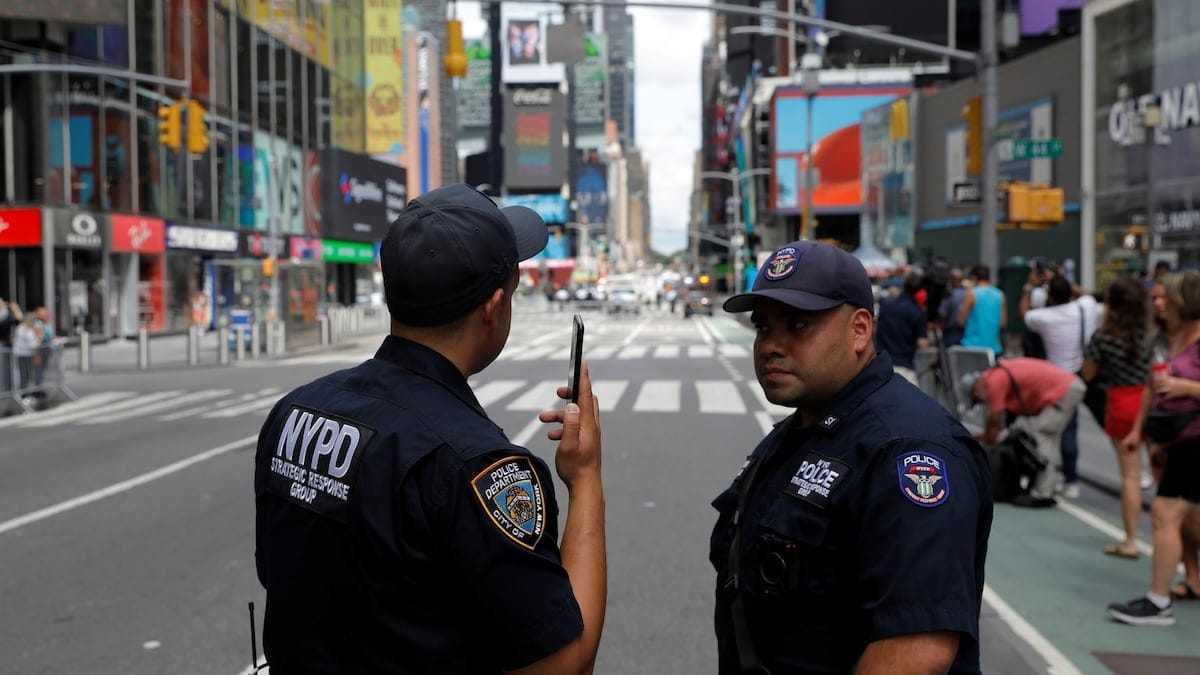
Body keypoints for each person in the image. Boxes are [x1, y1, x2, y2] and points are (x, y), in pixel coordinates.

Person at [254, 183, 607, 672]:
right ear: (493, 307)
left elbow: (284, 577)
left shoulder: (294, 411)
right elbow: (563, 664)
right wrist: (586, 479)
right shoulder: (477, 464)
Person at [711, 240, 993, 674]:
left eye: (798, 325)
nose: (770, 345)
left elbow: (917, 650)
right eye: (764, 327)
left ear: (859, 330)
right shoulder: (805, 428)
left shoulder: (907, 448)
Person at [1109, 270, 1200, 626]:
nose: (1159, 303)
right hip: (1177, 438)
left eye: (1167, 297)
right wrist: (1143, 432)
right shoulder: (1174, 337)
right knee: (1186, 518)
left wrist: (1185, 388)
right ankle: (1187, 581)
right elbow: (1153, 385)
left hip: (1195, 440)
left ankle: (1158, 601)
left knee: (1165, 514)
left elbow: (1173, 385)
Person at [1080, 276, 1149, 559]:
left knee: (1131, 476)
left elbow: (1088, 373)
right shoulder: (1154, 333)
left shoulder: (1104, 337)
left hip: (1122, 401)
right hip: (1155, 399)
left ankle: (1131, 540)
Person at [1020, 274, 1102, 499]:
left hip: (1060, 380)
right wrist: (1060, 277)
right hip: (1086, 374)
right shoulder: (1085, 307)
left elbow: (1024, 313)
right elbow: (1086, 295)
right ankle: (1071, 480)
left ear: (1050, 297)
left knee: (1065, 430)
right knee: (1101, 422)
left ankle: (1068, 480)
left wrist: (1029, 286)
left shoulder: (1045, 317)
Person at [967, 357, 1085, 508]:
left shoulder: (994, 380)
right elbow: (1003, 420)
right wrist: (988, 435)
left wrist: (990, 445)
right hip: (1067, 386)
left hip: (1064, 389)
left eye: (977, 399)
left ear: (976, 388)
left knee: (1043, 435)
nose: (983, 401)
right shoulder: (1000, 372)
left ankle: (1042, 491)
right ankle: (1044, 487)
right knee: (1049, 437)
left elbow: (995, 419)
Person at [875, 270, 930, 385]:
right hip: (904, 367)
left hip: (881, 363)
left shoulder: (885, 304)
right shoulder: (917, 312)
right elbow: (922, 343)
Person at [958, 264, 1006, 356]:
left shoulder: (971, 294)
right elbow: (1003, 323)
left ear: (974, 278)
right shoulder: (1000, 295)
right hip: (993, 347)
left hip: (972, 346)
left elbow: (961, 320)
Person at [938, 268, 967, 347]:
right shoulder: (969, 293)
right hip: (966, 332)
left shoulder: (949, 294)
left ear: (951, 279)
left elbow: (942, 314)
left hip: (951, 332)